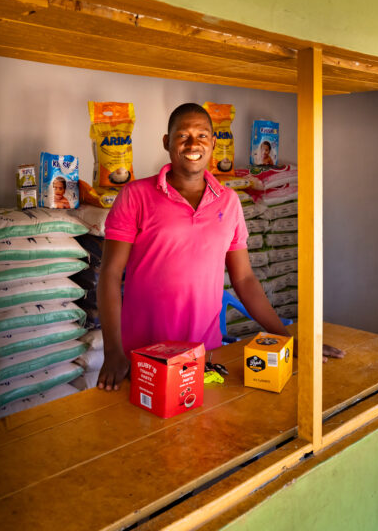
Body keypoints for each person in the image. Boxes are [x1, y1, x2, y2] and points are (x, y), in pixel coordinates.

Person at [97, 103, 343, 390]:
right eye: (183, 136)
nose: (193, 144)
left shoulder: (229, 201)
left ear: (213, 143)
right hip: (144, 357)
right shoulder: (135, 196)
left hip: (205, 355)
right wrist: (112, 351)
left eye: (202, 136)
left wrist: (286, 339)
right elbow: (110, 274)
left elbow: (244, 278)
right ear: (167, 142)